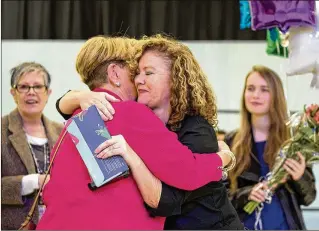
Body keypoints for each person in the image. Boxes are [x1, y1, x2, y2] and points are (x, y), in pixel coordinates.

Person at [37, 36, 234, 230]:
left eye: (146, 72)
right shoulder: (129, 113)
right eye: (133, 70)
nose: (138, 79)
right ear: (114, 74)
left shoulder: (75, 119)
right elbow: (188, 172)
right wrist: (223, 158)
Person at [226, 65, 316, 230]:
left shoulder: (293, 140)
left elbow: (309, 198)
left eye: (264, 89)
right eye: (250, 88)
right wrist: (245, 195)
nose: (255, 95)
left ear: (276, 95)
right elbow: (217, 197)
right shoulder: (231, 142)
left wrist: (300, 177)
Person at [1, 62, 63, 230]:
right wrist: (34, 181)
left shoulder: (62, 131)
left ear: (48, 93)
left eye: (37, 86)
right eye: (24, 87)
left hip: (57, 224)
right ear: (13, 93)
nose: (31, 92)